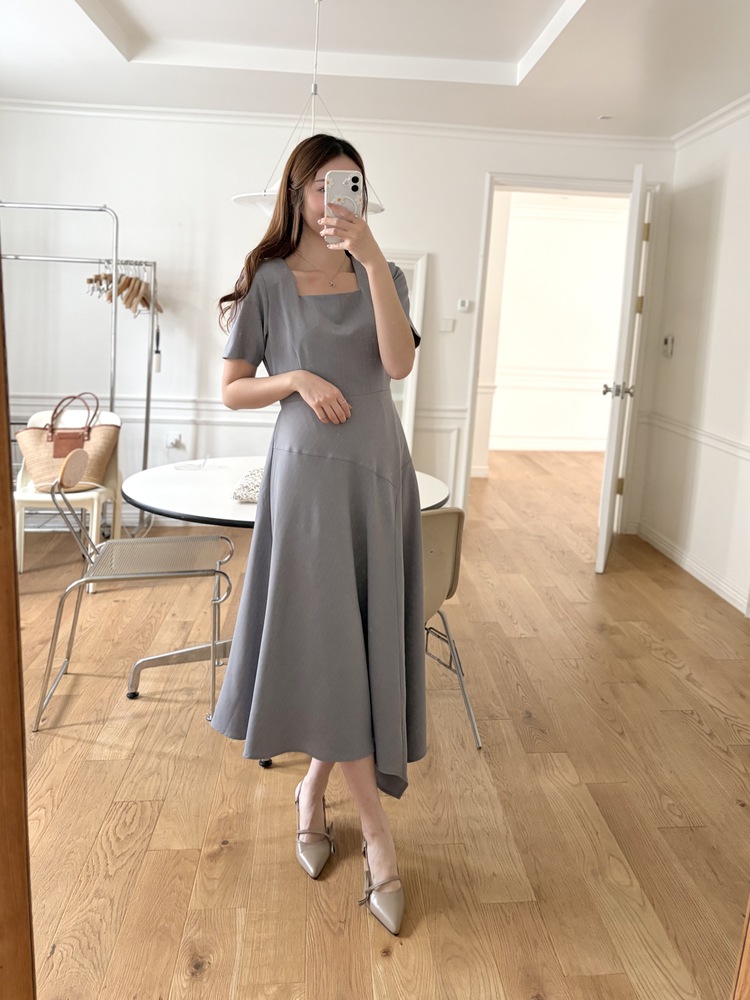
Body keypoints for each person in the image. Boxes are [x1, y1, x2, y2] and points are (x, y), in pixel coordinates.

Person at [210, 133, 425, 936]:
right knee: (332, 646)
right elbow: (232, 389)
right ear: (299, 191)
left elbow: (397, 367)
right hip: (305, 483)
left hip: (376, 478)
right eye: (325, 184)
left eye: (352, 184)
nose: (338, 197)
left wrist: (371, 261)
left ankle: (312, 791)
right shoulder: (269, 280)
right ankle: (377, 835)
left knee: (354, 650)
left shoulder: (385, 275)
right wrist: (296, 378)